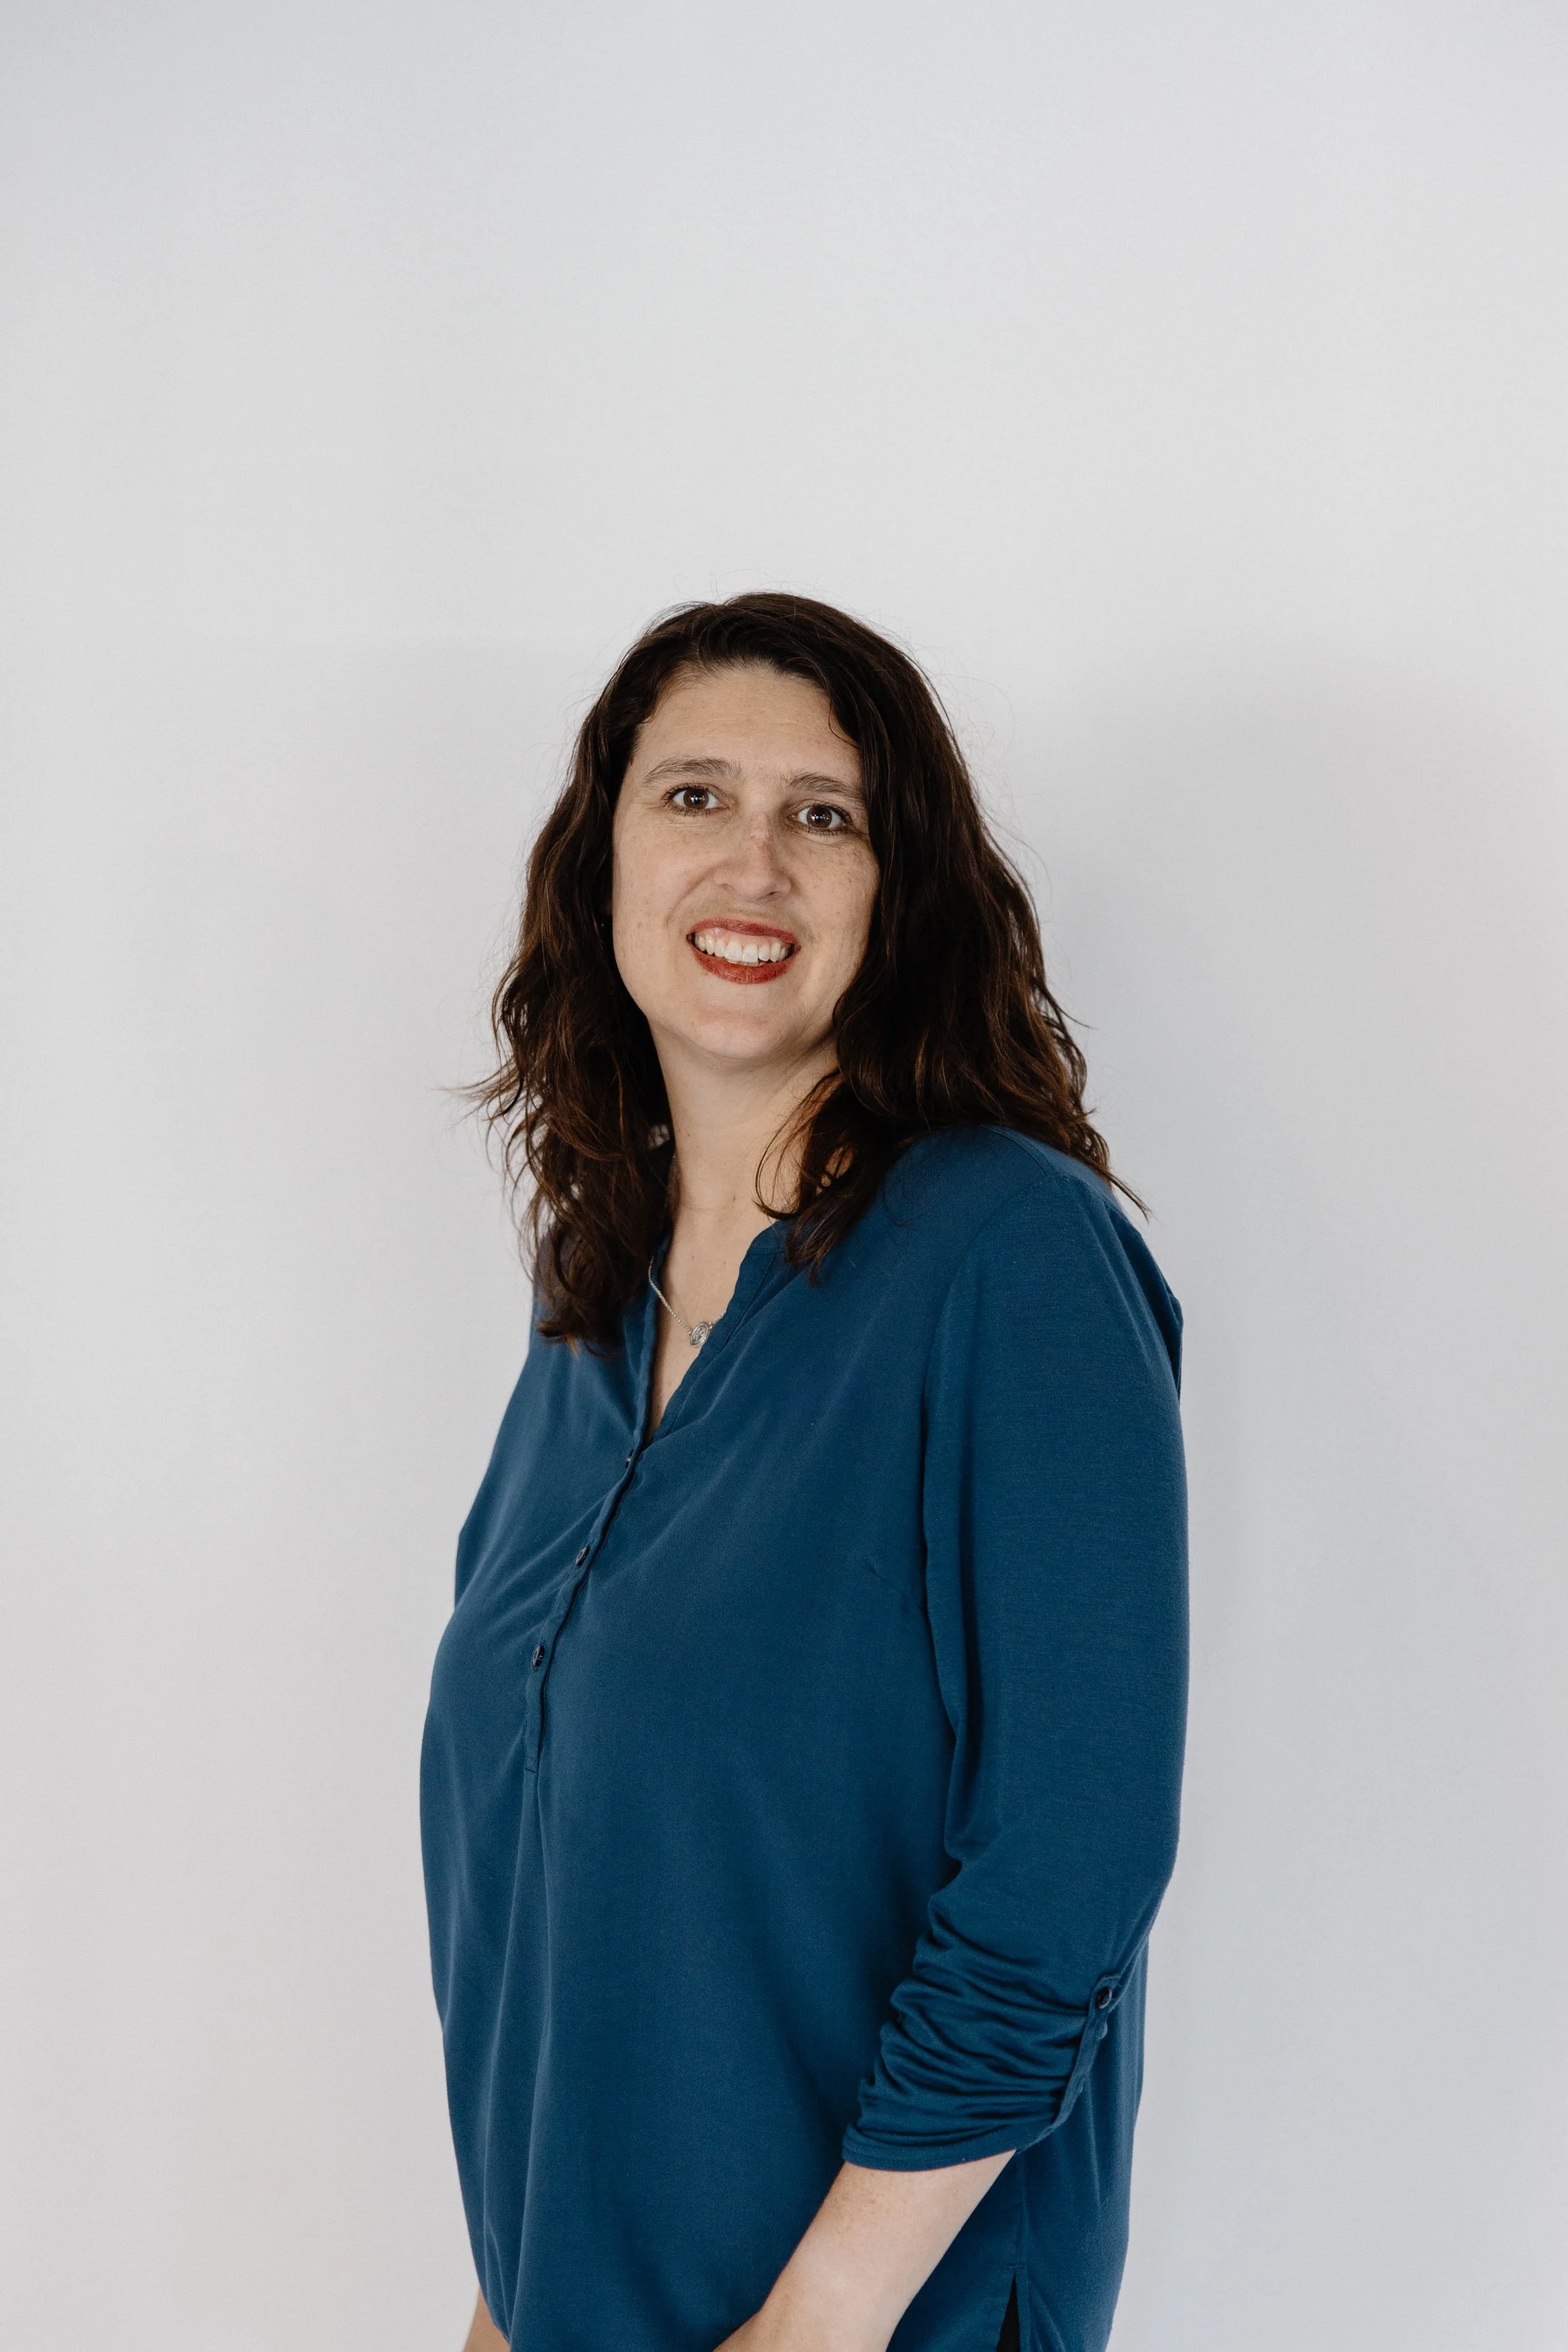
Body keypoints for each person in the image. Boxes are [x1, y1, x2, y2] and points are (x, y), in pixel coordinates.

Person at [419, 593, 1189, 2352]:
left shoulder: (1012, 1258)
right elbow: (576, 1869)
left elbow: (1061, 1877)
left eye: (821, 815)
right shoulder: (589, 1318)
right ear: (599, 858)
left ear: (893, 891)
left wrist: (816, 2321)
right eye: (691, 796)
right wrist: (508, 2283)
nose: (750, 860)